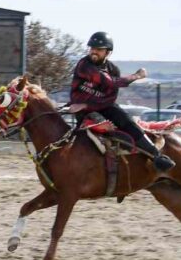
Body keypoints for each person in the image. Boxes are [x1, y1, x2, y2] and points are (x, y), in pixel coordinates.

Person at [70, 31, 175, 172]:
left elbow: (110, 98)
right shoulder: (84, 65)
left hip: (100, 106)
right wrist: (137, 76)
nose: (94, 52)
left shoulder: (114, 69)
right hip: (82, 111)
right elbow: (109, 82)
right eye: (92, 48)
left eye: (99, 49)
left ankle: (156, 157)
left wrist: (87, 104)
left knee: (127, 122)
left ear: (108, 52)